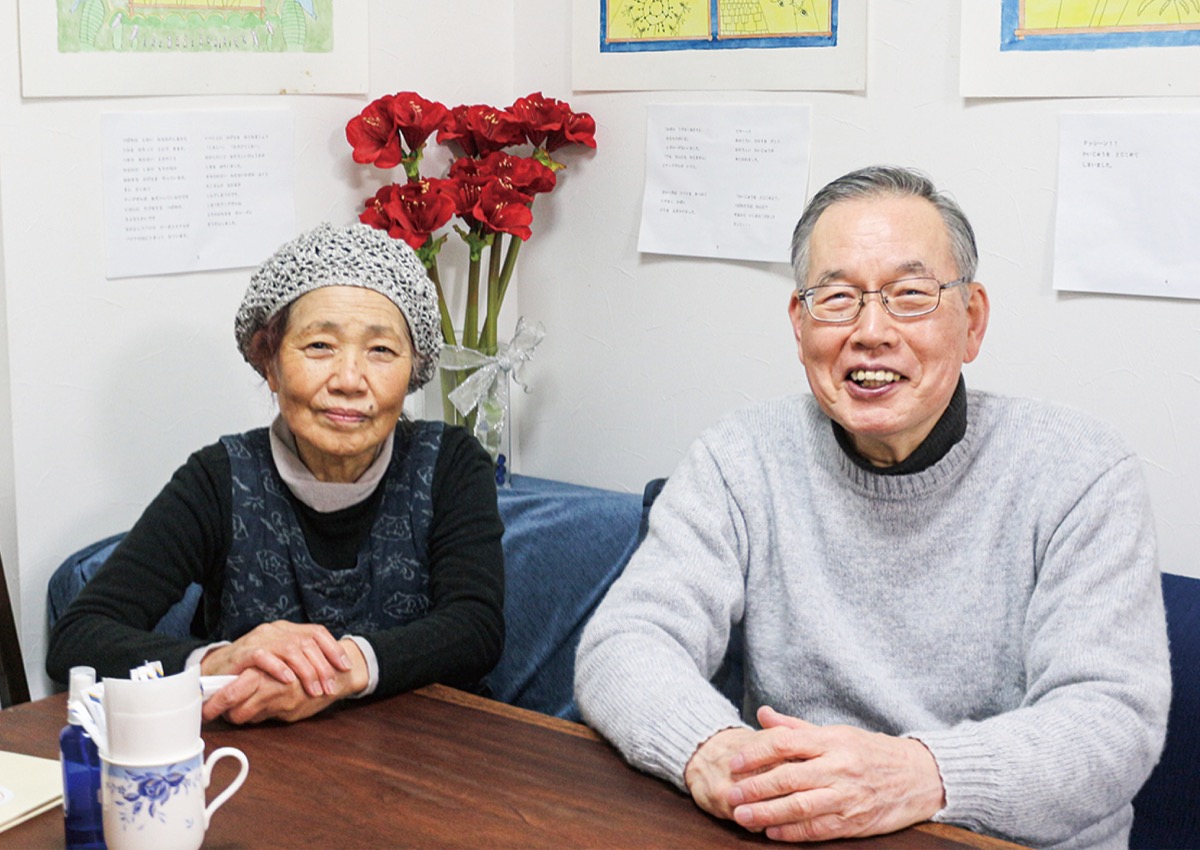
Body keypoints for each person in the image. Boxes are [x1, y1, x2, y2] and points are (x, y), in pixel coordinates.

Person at [574, 166, 1170, 849]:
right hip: (796, 831)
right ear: (800, 325)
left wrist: (919, 774)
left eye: (911, 295)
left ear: (972, 321)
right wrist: (715, 752)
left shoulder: (1080, 470)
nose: (871, 331)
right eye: (837, 298)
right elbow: (626, 641)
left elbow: (1112, 721)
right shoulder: (740, 457)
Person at [48, 222, 505, 725]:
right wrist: (216, 663)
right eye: (320, 346)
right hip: (260, 759)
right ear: (269, 363)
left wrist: (338, 671)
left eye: (381, 350)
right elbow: (79, 637)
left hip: (432, 752)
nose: (349, 380)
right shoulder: (219, 479)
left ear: (413, 368)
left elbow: (476, 627)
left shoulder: (449, 464)